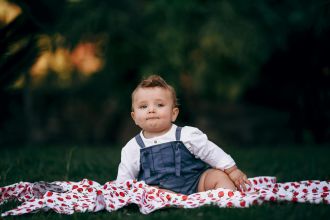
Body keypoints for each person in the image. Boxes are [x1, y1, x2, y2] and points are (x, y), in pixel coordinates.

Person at [116, 75, 251, 195]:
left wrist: (231, 170)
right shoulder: (133, 148)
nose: (151, 110)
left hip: (197, 184)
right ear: (134, 117)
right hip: (159, 191)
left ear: (173, 113)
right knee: (149, 191)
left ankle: (226, 198)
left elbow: (211, 152)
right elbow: (125, 178)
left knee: (217, 176)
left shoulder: (186, 135)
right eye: (143, 107)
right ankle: (171, 200)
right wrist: (122, 192)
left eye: (159, 105)